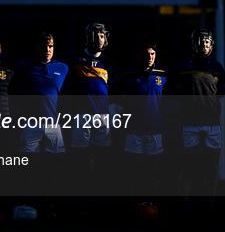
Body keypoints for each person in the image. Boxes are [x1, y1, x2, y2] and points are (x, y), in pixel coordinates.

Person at [169, 29, 225, 201]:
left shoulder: (217, 67)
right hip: (189, 124)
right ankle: (186, 207)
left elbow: (223, 93)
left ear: (212, 45)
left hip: (211, 123)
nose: (204, 45)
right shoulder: (181, 66)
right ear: (194, 44)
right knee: (188, 167)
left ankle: (209, 206)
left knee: (211, 167)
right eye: (200, 42)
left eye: (207, 42)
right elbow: (171, 92)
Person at [64, 23, 113, 195]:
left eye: (101, 35)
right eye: (95, 35)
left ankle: (99, 192)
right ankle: (79, 192)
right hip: (80, 116)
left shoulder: (109, 63)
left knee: (102, 157)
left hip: (103, 117)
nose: (99, 39)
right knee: (80, 157)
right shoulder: (75, 60)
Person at [115, 42, 167, 196]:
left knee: (153, 169)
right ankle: (136, 203)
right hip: (134, 130)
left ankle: (151, 202)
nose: (150, 57)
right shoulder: (128, 76)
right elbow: (118, 102)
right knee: (134, 169)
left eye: (152, 54)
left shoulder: (163, 75)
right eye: (147, 54)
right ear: (140, 55)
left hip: (155, 130)